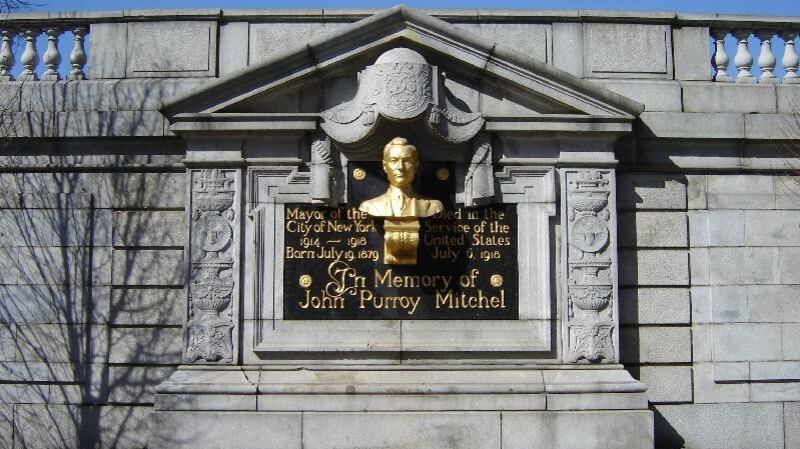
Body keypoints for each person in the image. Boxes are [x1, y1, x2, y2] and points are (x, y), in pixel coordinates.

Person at [358, 137, 443, 218]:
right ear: (384, 166)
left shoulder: (433, 206)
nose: (400, 167)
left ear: (416, 167)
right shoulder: (370, 206)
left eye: (407, 161)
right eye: (393, 160)